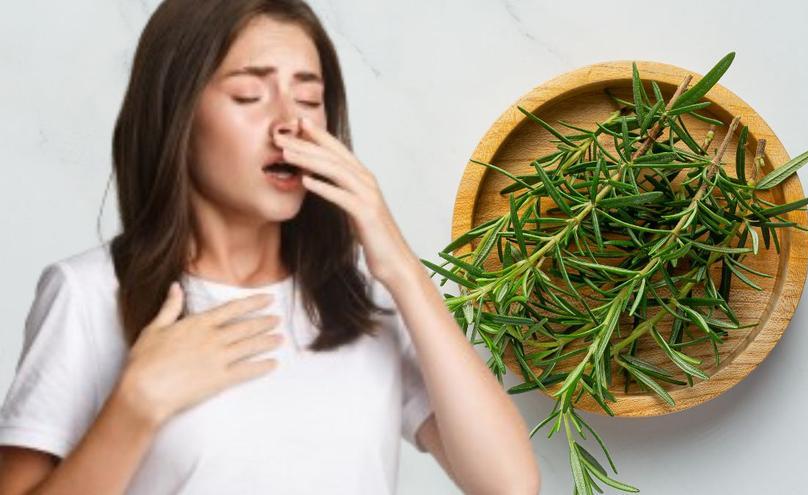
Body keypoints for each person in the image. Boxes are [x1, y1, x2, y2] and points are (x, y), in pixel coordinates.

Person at [0, 1, 540, 494]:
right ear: (177, 112)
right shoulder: (90, 294)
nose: (291, 123)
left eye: (310, 98)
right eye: (248, 96)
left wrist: (398, 265)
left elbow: (509, 487)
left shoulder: (358, 294)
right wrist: (136, 405)